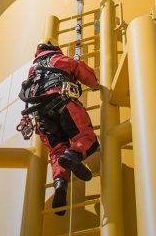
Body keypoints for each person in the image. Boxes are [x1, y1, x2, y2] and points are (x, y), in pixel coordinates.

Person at [18, 41, 100, 215]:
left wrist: (26, 119)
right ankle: (73, 155)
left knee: (56, 151)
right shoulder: (57, 58)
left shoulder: (32, 73)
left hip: (41, 116)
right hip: (62, 102)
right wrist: (95, 84)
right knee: (86, 139)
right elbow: (82, 72)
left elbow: (25, 96)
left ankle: (59, 183)